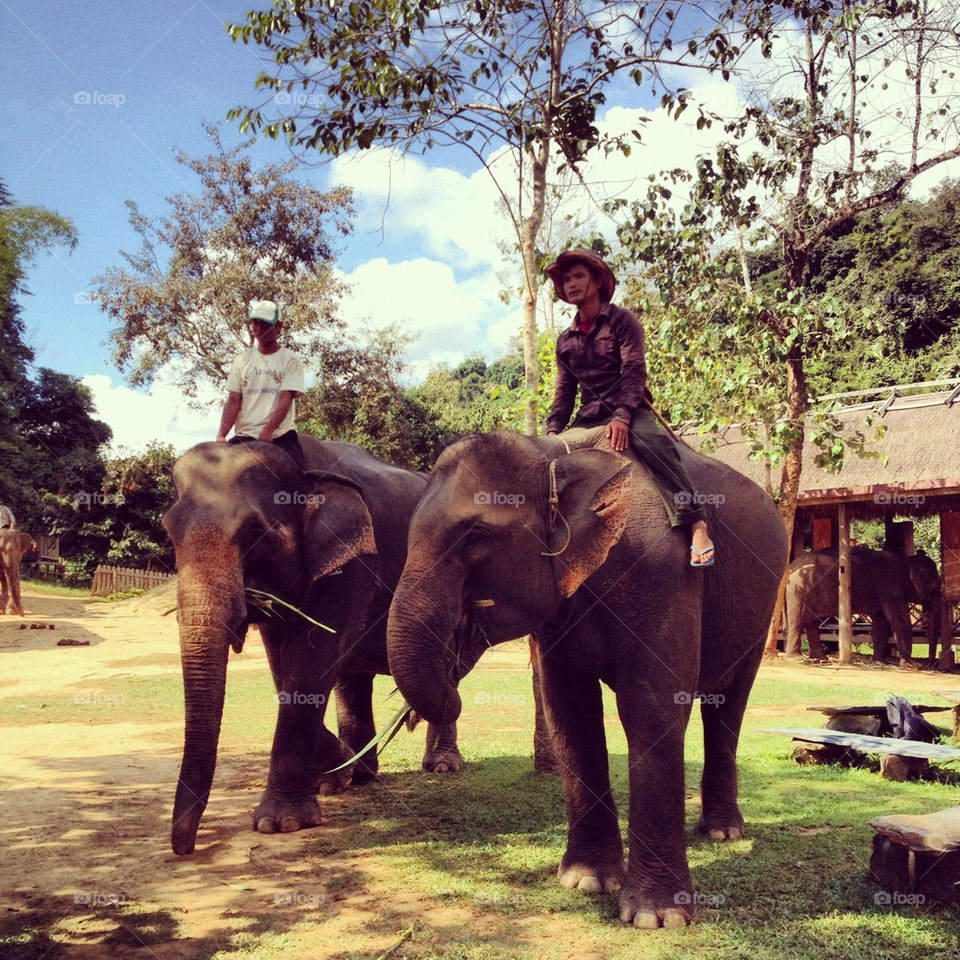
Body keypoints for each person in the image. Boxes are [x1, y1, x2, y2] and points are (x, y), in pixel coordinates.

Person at [544, 248, 715, 566]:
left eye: (579, 276)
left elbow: (634, 371)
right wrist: (553, 431)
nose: (571, 284)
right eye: (566, 280)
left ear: (597, 281)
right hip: (588, 416)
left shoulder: (622, 321)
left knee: (655, 446)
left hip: (628, 408)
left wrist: (623, 417)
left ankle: (696, 522)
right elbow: (565, 392)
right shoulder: (565, 341)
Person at [217, 299, 307, 470]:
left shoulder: (290, 359)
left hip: (280, 435)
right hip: (245, 436)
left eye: (265, 324)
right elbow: (233, 400)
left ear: (279, 326)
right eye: (255, 323)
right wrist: (222, 435)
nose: (258, 329)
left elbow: (285, 399)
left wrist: (268, 431)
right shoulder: (241, 360)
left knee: (299, 476)